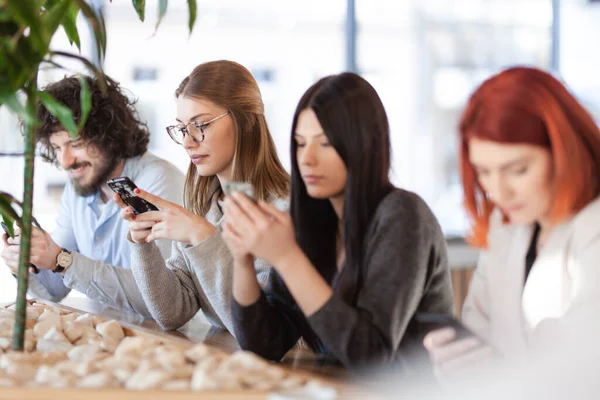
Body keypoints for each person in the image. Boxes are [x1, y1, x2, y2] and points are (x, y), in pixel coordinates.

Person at [222, 72, 454, 371]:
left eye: (326, 143)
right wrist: (242, 260)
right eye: (300, 143)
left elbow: (370, 356)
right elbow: (263, 344)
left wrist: (287, 257)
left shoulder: (403, 215)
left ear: (362, 146)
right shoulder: (313, 219)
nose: (306, 158)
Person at [423, 66, 600, 376]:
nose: (498, 192)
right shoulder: (506, 225)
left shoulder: (592, 226)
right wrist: (455, 361)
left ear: (564, 151)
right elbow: (478, 330)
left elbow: (585, 369)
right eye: (484, 171)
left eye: (518, 170)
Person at [115, 60, 289, 332]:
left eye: (201, 124)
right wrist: (143, 245)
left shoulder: (286, 211)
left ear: (248, 120)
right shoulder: (202, 204)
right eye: (182, 128)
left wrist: (202, 237)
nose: (187, 141)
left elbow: (263, 332)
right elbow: (173, 313)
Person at [0, 75, 184, 314]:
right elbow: (54, 289)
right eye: (56, 148)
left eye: (75, 143)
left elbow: (156, 299)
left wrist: (60, 260)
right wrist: (27, 262)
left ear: (110, 135)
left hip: (164, 344)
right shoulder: (78, 188)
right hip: (107, 337)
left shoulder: (158, 181)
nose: (65, 162)